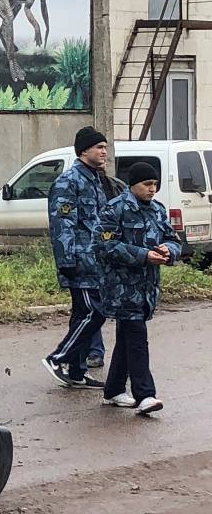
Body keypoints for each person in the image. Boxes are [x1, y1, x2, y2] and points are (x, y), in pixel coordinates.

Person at [95, 162, 180, 415]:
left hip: (146, 289)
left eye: (154, 184)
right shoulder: (115, 210)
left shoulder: (157, 210)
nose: (152, 189)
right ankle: (145, 394)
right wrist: (143, 255)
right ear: (133, 185)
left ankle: (113, 390)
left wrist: (168, 250)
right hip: (121, 288)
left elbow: (173, 239)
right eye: (147, 184)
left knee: (127, 338)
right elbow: (104, 246)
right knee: (137, 339)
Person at [42, 126, 110, 389]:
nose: (104, 151)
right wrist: (67, 260)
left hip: (96, 261)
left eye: (105, 147)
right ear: (83, 151)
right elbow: (62, 223)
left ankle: (77, 371)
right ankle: (58, 357)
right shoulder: (69, 181)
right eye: (98, 147)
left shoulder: (94, 179)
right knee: (94, 312)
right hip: (79, 261)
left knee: (83, 314)